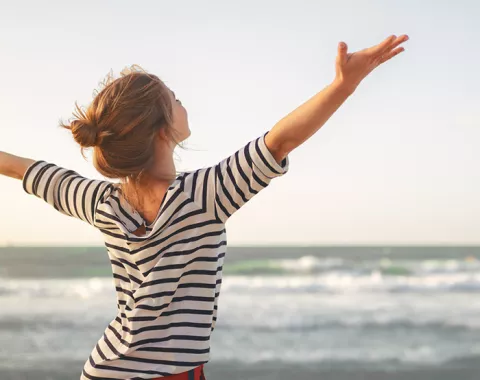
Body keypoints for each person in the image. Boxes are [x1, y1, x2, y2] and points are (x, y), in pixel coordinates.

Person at [0, 34, 408, 379]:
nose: (183, 102)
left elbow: (30, 171)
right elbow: (279, 141)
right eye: (174, 98)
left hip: (106, 367)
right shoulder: (204, 196)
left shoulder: (102, 203)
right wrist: (342, 85)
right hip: (169, 372)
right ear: (162, 127)